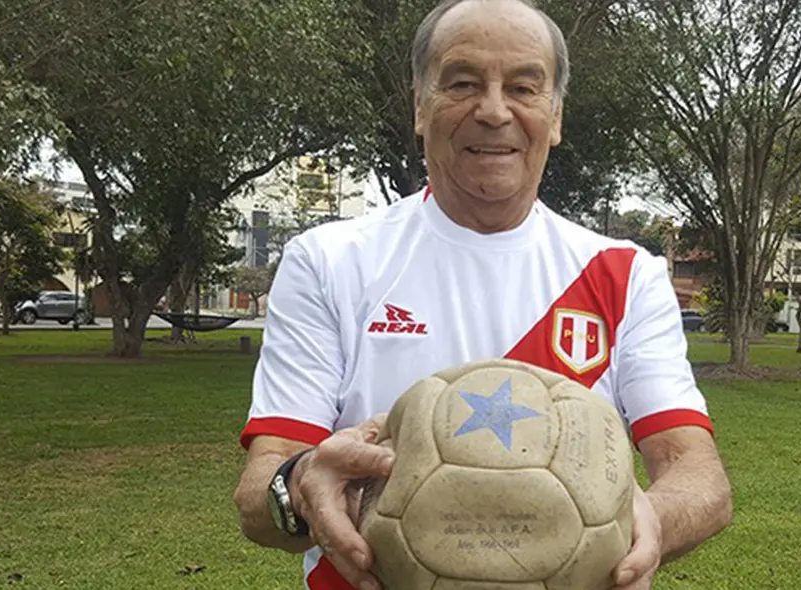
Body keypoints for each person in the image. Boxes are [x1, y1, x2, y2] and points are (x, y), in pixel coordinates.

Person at [232, 1, 733, 589]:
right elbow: (257, 494)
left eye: (524, 87)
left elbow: (697, 475)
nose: (494, 111)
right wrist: (301, 485)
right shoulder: (330, 260)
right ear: (421, 105)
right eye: (463, 83)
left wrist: (653, 516)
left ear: (556, 114)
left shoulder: (623, 272)